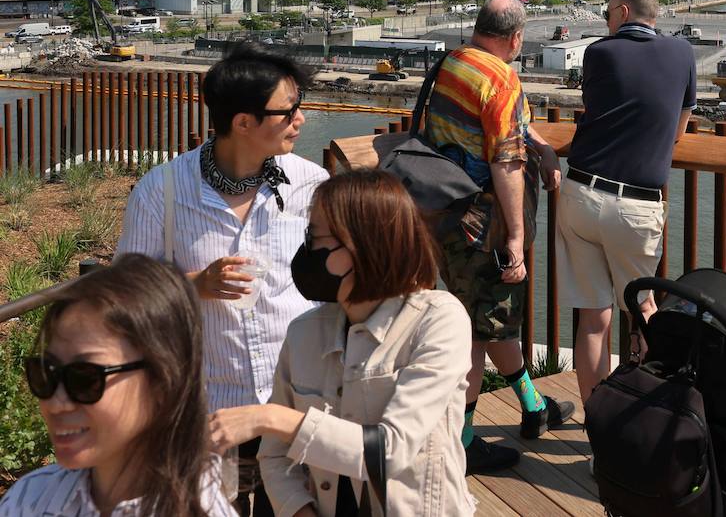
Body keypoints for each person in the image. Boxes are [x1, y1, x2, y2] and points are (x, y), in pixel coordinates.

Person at [117, 40, 328, 516]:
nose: (301, 118)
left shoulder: (310, 185)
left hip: (294, 404)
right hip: (208, 412)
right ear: (243, 123)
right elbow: (124, 296)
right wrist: (193, 285)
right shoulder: (163, 191)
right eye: (289, 109)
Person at [209, 169, 477, 517]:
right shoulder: (304, 333)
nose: (306, 250)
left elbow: (389, 451)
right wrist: (300, 510)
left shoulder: (438, 320)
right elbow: (275, 457)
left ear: (362, 245)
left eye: (314, 237)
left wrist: (270, 417)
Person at [424, 0, 572, 474]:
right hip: (482, 226)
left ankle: (532, 407)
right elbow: (505, 161)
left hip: (443, 214)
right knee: (474, 332)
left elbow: (510, 131)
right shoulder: (502, 78)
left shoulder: (452, 63)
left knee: (490, 321)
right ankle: (463, 443)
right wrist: (513, 238)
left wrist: (544, 148)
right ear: (515, 38)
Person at [0, 254, 236, 516]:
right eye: (45, 373)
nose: (55, 403)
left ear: (162, 384)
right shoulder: (27, 500)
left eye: (85, 378)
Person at [559, 0, 696, 407]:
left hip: (581, 191)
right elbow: (678, 130)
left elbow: (598, 109)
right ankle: (647, 413)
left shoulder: (600, 52)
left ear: (621, 12)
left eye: (607, 13)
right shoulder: (682, 52)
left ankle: (595, 420)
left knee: (593, 319)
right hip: (636, 204)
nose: (605, 21)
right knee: (643, 311)